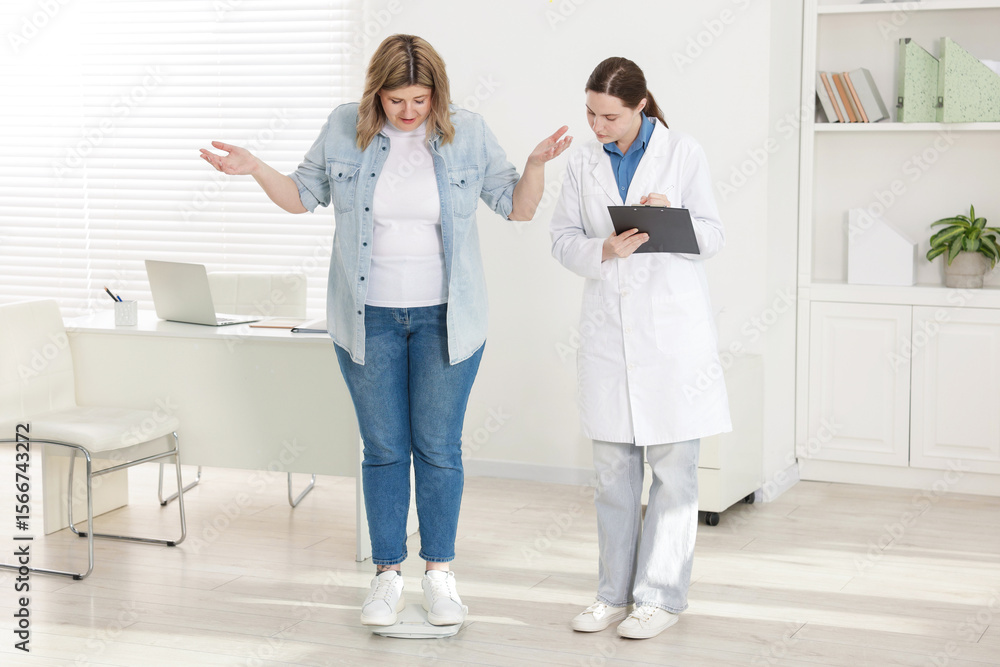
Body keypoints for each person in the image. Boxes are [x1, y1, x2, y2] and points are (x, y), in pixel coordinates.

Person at [200, 34, 570, 628]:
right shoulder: (344, 127)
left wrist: (534, 166)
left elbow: (518, 207)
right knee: (384, 450)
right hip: (366, 317)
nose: (408, 111)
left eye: (420, 100)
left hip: (447, 319)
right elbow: (301, 196)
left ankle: (440, 574)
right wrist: (256, 169)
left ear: (436, 94)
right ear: (376, 94)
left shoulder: (468, 132)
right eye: (396, 100)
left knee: (438, 449)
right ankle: (387, 576)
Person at [549, 56, 731, 640]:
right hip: (610, 335)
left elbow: (713, 237)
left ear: (641, 106)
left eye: (609, 116)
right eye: (590, 114)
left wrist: (668, 218)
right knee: (612, 477)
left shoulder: (683, 153)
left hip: (671, 336)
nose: (597, 126)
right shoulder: (582, 162)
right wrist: (603, 250)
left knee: (674, 477)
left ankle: (661, 597)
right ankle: (612, 594)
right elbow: (561, 239)